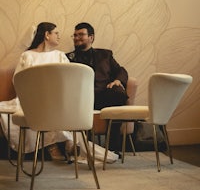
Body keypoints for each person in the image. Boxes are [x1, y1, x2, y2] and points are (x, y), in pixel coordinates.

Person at [0, 22, 75, 161]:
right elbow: (18, 79)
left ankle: (64, 144)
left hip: (55, 96)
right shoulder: (27, 56)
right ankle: (58, 144)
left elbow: (67, 79)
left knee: (53, 105)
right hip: (31, 96)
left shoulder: (60, 56)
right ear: (47, 35)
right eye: (56, 33)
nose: (59, 36)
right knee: (27, 107)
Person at [66, 22, 129, 154]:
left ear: (91, 37)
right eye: (75, 35)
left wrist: (117, 81)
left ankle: (112, 148)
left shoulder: (105, 54)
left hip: (102, 96)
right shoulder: (67, 58)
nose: (77, 37)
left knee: (118, 94)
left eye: (81, 34)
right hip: (80, 98)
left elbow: (121, 70)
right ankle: (85, 148)